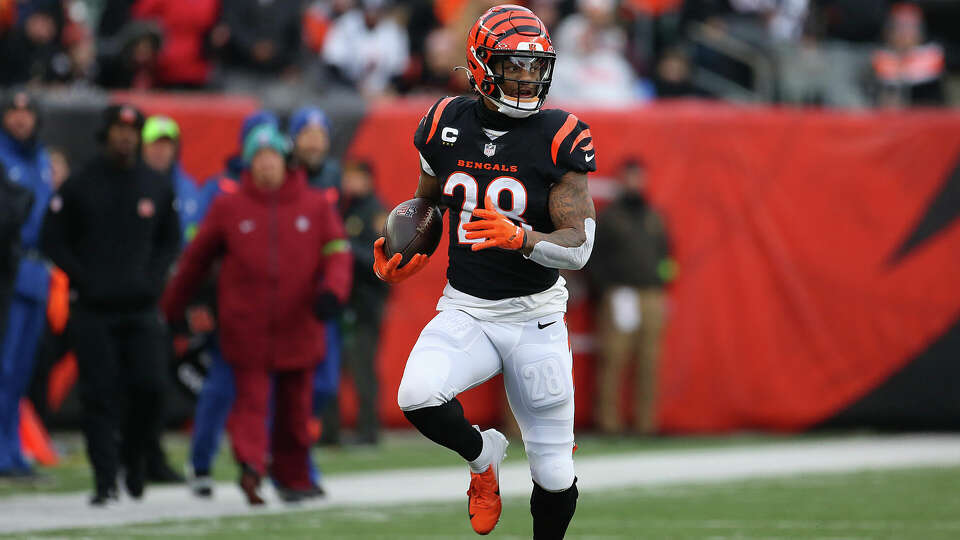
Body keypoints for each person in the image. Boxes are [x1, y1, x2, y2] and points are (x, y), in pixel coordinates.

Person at [377, 6, 597, 538]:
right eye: (512, 65)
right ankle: (482, 457)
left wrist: (524, 239)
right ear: (479, 63)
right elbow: (426, 202)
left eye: (533, 66)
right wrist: (401, 244)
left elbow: (580, 245)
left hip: (535, 317)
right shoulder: (443, 123)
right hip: (467, 307)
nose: (525, 77)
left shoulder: (559, 135)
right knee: (416, 396)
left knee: (552, 472)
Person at [161, 124, 352, 505]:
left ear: (285, 161)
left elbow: (337, 254)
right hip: (245, 327)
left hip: (299, 324)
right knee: (250, 402)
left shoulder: (315, 204)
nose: (266, 166)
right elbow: (195, 261)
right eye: (258, 159)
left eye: (272, 158)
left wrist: (333, 291)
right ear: (249, 164)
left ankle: (293, 477)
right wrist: (172, 307)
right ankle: (251, 466)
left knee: (296, 409)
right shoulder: (228, 206)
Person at [42, 104, 181, 505]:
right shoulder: (81, 184)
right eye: (119, 130)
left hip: (140, 307)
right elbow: (52, 239)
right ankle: (105, 479)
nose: (126, 137)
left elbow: (170, 240)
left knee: (151, 388)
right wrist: (84, 277)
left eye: (132, 130)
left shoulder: (155, 184)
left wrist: (153, 278)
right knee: (99, 394)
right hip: (94, 308)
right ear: (105, 135)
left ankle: (134, 459)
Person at [586, 159, 671, 435]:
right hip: (619, 294)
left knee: (649, 361)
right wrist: (606, 289)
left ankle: (646, 424)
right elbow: (592, 258)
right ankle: (608, 423)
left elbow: (666, 255)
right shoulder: (610, 217)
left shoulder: (654, 216)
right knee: (614, 360)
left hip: (651, 295)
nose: (635, 183)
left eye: (639, 177)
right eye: (630, 177)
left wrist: (663, 282)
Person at [0, 91, 54, 479]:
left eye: (26, 113)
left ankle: (12, 446)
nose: (20, 120)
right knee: (3, 364)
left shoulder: (42, 159)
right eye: (13, 112)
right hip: (9, 265)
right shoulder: (3, 157)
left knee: (22, 368)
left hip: (38, 271)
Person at [320, 159, 388, 446]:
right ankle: (329, 432)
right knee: (332, 370)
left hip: (365, 305)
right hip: (341, 305)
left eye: (356, 177)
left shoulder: (377, 212)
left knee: (362, 370)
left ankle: (368, 430)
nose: (350, 183)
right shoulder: (342, 208)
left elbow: (381, 259)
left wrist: (349, 250)